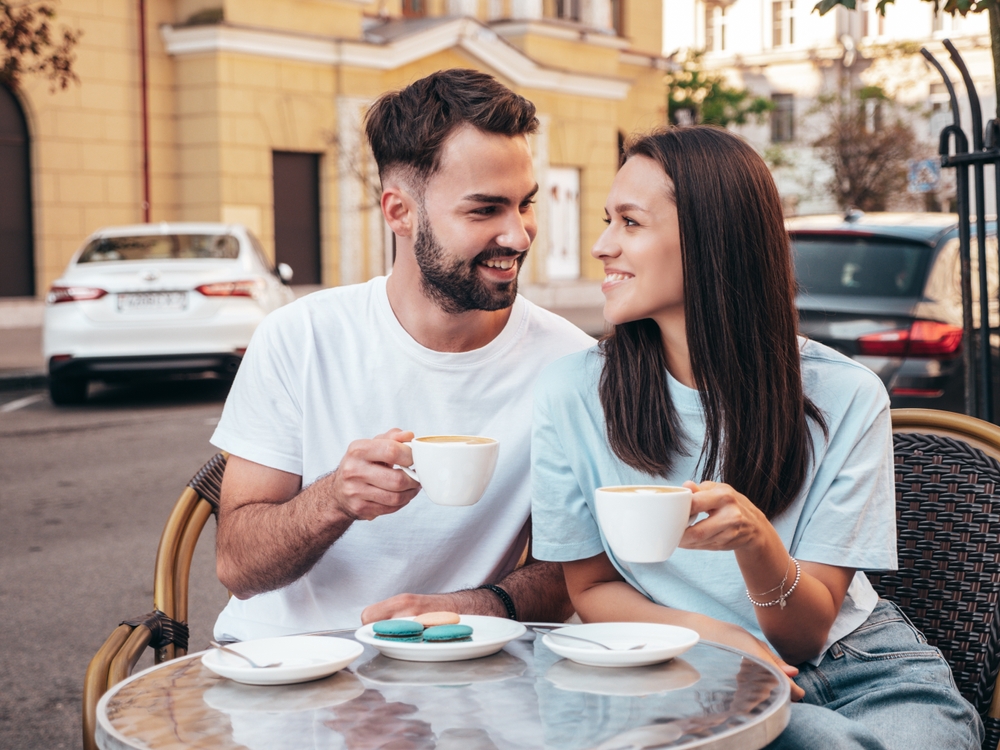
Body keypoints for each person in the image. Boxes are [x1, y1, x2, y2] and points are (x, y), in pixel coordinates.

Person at [530, 126, 983, 749]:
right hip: (691, 669)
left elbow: (804, 634)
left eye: (630, 223)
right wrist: (718, 636)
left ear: (711, 240)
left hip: (862, 672)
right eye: (609, 220)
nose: (602, 245)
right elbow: (589, 589)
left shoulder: (845, 394)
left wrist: (754, 540)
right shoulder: (570, 393)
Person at [210, 68, 593, 642]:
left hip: (463, 666)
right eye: (485, 210)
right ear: (399, 212)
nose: (518, 236)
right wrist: (334, 498)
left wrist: (472, 607)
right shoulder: (299, 336)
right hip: (288, 663)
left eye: (525, 204)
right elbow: (237, 567)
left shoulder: (571, 363)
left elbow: (573, 572)